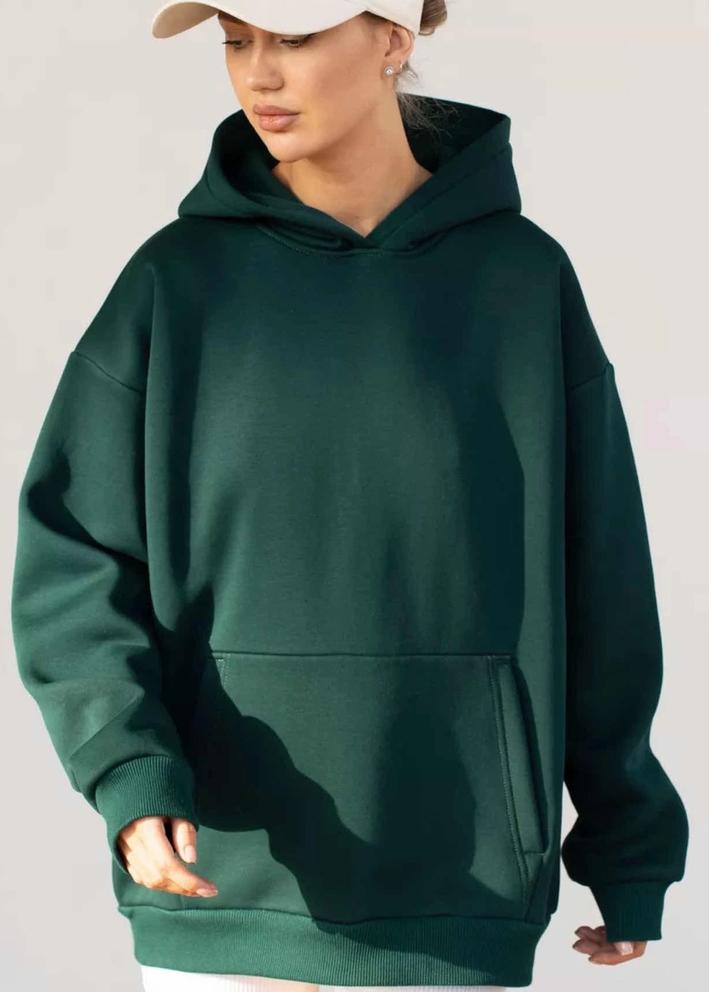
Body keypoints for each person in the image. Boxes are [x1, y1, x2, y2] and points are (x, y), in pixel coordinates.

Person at [10, 1, 689, 990]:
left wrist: (628, 847)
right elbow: (71, 562)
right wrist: (127, 766)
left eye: (292, 37)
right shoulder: (176, 282)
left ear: (391, 40)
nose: (258, 73)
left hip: (460, 884)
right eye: (235, 40)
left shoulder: (520, 279)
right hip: (225, 878)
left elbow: (602, 576)